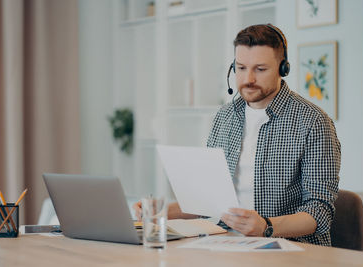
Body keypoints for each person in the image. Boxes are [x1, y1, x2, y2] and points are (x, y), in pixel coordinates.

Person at [133, 24, 341, 246]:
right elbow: (208, 201)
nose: (248, 78)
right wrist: (161, 210)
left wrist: (266, 227)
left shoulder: (314, 122)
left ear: (283, 69)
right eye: (241, 68)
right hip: (227, 244)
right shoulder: (224, 117)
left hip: (291, 250)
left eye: (260, 69)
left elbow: (320, 211)